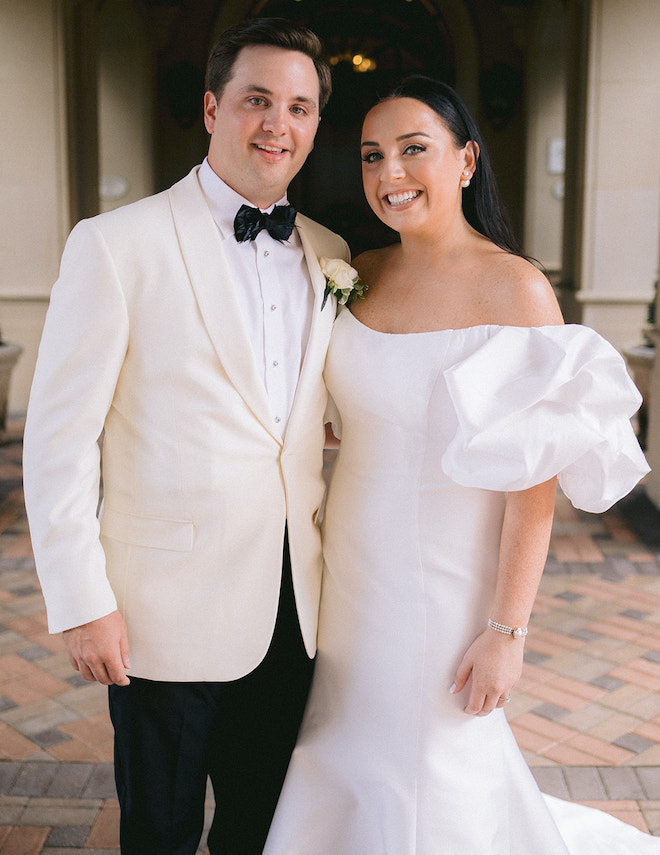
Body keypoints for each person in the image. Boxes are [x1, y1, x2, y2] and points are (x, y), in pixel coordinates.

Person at [263, 76, 657, 853]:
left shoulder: (516, 289)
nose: (390, 174)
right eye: (373, 155)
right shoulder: (359, 271)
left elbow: (531, 482)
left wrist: (506, 628)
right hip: (348, 566)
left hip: (447, 578)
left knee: (436, 750)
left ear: (467, 160)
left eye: (415, 150)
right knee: (350, 732)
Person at [22, 18, 349, 855]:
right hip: (158, 615)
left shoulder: (330, 255)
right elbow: (60, 440)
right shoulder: (114, 246)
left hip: (291, 612)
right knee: (160, 832)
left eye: (300, 107)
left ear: (315, 125)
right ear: (212, 108)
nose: (278, 124)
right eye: (257, 100)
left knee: (260, 828)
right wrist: (81, 598)